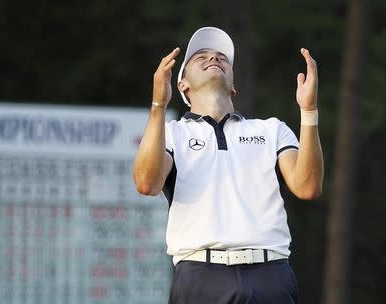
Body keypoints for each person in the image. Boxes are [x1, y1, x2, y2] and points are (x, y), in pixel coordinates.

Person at [133, 26, 323, 304]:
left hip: (270, 272)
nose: (214, 58)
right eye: (201, 57)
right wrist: (158, 104)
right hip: (200, 274)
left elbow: (307, 187)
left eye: (222, 57)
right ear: (182, 84)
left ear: (233, 86)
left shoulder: (272, 129)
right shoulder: (172, 132)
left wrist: (308, 111)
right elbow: (146, 183)